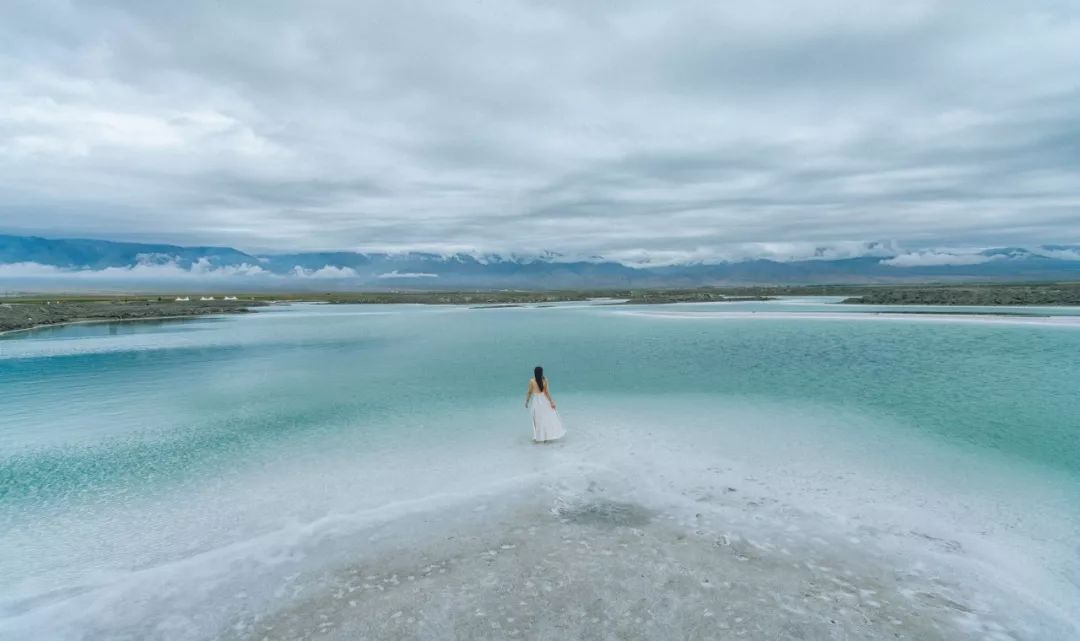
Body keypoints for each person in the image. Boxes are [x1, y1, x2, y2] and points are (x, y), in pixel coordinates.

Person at [525, 365, 565, 443]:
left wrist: (527, 401)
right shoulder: (545, 380)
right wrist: (551, 402)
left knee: (536, 420)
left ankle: (538, 437)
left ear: (535, 373)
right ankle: (545, 437)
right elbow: (547, 392)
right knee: (545, 419)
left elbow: (529, 392)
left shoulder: (532, 381)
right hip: (544, 400)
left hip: (536, 401)